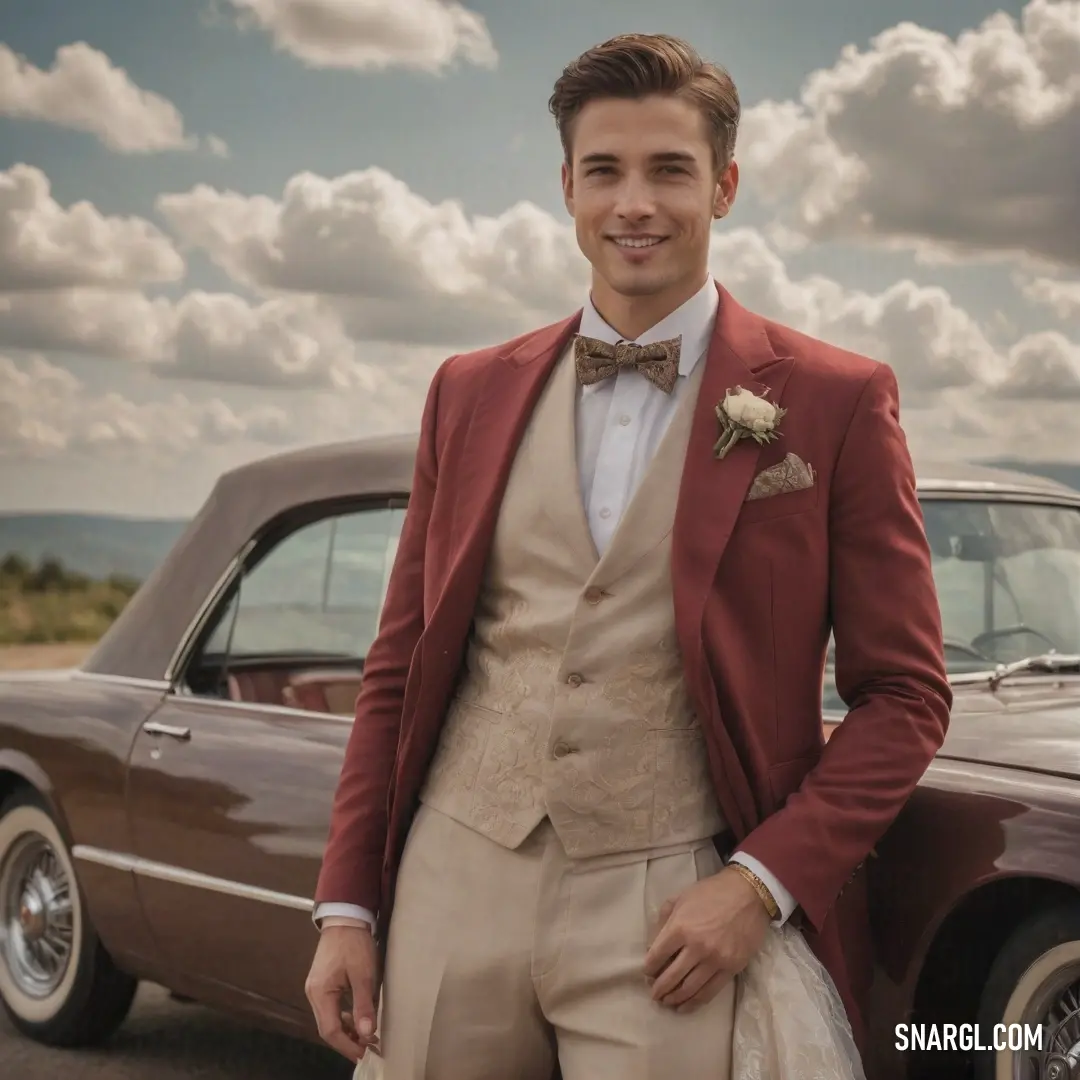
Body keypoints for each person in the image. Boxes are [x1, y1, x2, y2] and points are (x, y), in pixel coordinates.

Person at [304, 31, 952, 1080]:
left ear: (726, 186)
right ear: (567, 187)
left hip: (672, 912)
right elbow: (399, 664)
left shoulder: (833, 402)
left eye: (669, 170)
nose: (633, 204)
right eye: (603, 171)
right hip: (454, 878)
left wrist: (757, 886)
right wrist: (346, 905)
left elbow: (907, 696)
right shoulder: (466, 391)